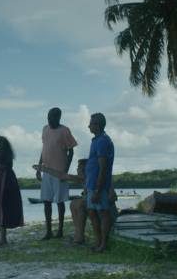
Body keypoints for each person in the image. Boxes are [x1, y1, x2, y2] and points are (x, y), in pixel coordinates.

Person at [36, 107, 78, 240]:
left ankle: (60, 230)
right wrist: (39, 168)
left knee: (60, 202)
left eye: (51, 118)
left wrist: (65, 172)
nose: (49, 120)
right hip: (46, 171)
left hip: (59, 172)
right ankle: (48, 231)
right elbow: (44, 149)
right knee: (46, 201)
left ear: (58, 117)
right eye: (48, 117)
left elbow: (71, 151)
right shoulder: (45, 129)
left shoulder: (64, 131)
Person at [0, 135, 24, 247]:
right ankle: (3, 238)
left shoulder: (6, 155)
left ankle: (3, 239)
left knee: (2, 208)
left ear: (3, 144)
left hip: (6, 183)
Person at [86, 112, 115, 252]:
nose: (88, 126)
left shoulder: (103, 141)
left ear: (97, 125)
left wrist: (98, 189)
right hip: (91, 184)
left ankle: (104, 243)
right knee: (92, 212)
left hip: (100, 185)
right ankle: (98, 241)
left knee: (103, 213)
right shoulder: (96, 140)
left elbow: (103, 167)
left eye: (91, 123)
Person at [69, 159, 117, 245]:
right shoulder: (85, 180)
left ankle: (81, 237)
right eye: (78, 168)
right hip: (97, 211)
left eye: (81, 169)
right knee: (74, 203)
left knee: (81, 204)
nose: (78, 171)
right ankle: (79, 234)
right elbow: (63, 176)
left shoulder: (99, 179)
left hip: (106, 214)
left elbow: (111, 198)